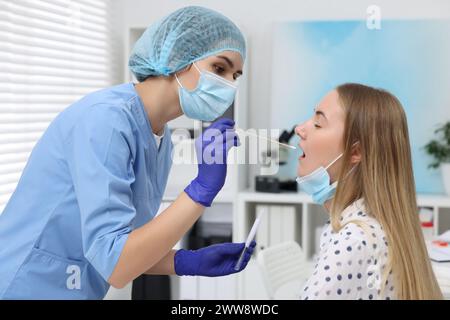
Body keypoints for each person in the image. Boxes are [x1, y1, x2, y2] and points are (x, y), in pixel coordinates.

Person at [0, 6, 256, 299]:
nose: (229, 85)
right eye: (219, 68)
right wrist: (202, 189)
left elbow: (129, 248)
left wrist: (187, 261)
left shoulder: (160, 137)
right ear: (179, 58)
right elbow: (117, 264)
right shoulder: (106, 122)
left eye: (235, 76)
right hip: (23, 286)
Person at [295, 83, 442, 300]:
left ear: (356, 151)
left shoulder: (352, 241)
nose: (300, 128)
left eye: (318, 123)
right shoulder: (381, 225)